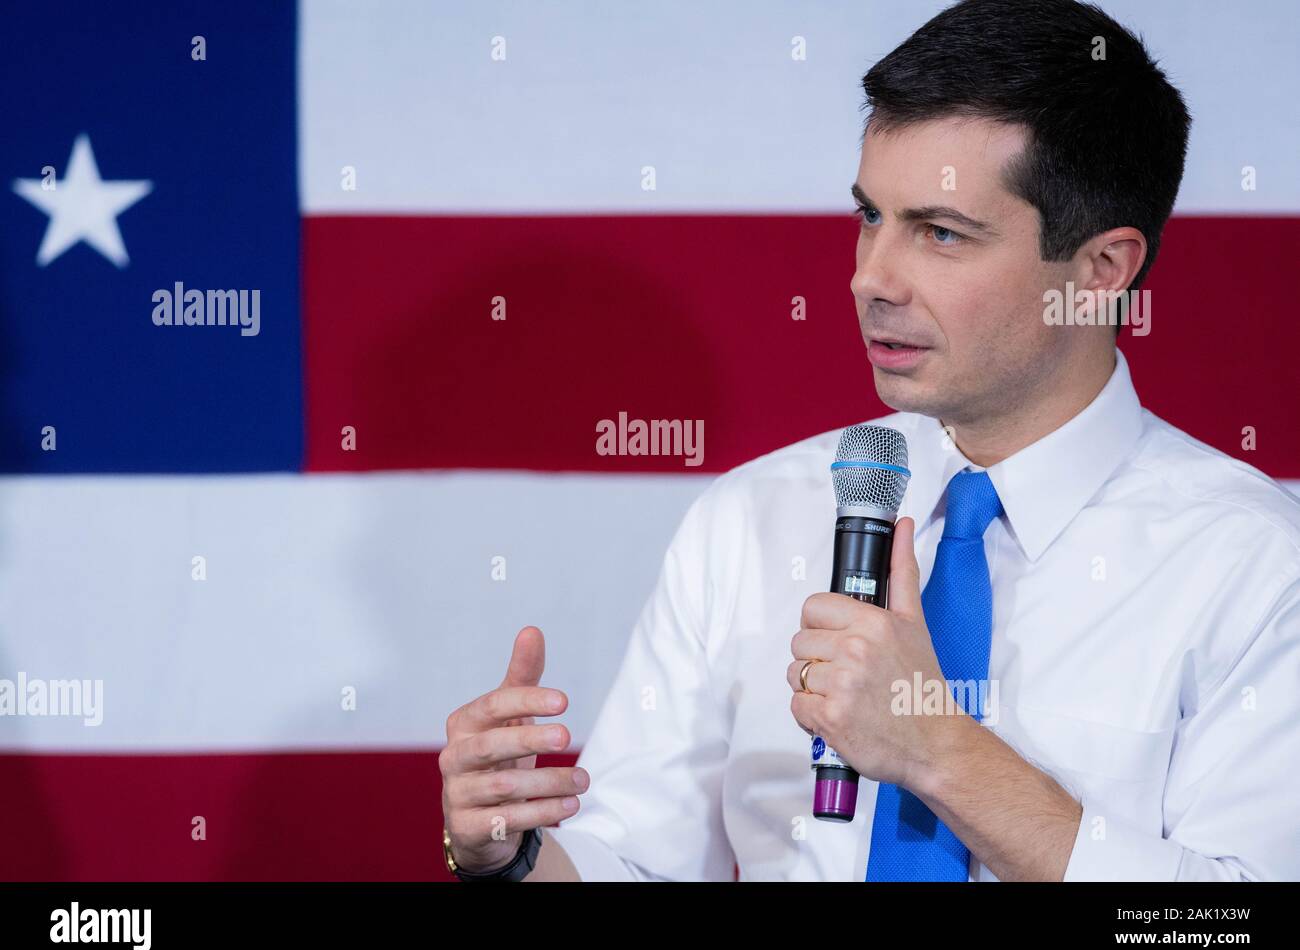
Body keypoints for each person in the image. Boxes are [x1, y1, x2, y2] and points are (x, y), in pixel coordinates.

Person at [439, 0, 1300, 881]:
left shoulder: (1257, 568)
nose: (869, 278)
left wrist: (939, 751)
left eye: (939, 232)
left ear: (1098, 271)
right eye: (870, 217)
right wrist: (514, 854)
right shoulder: (755, 515)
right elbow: (639, 862)